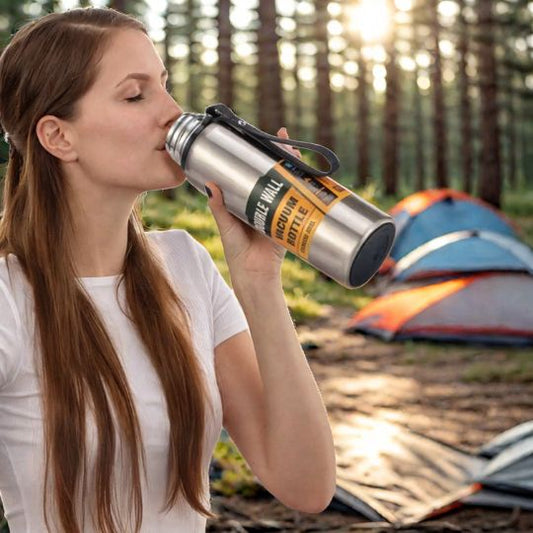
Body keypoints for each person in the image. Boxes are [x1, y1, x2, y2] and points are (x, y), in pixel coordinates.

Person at [0, 7, 336, 533]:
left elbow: (306, 485)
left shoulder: (185, 265)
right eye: (136, 95)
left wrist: (259, 281)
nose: (174, 113)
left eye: (165, 87)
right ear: (58, 136)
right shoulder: (9, 298)